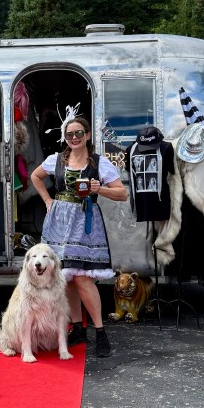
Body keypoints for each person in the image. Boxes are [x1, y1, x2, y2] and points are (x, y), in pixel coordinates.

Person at [29, 114, 128, 357]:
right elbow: (35, 176)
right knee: (67, 277)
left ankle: (100, 332)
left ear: (87, 135)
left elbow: (122, 193)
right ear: (65, 137)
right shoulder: (56, 160)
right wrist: (47, 200)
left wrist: (99, 189)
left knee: (83, 278)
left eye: (78, 133)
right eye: (69, 134)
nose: (74, 137)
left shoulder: (99, 162)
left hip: (85, 222)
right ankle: (77, 327)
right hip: (59, 222)